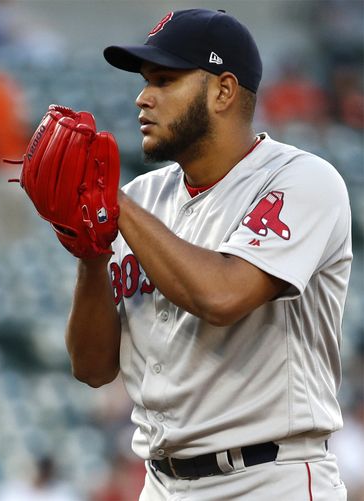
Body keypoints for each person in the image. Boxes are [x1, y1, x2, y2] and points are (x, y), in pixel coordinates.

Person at [66, 9, 351, 500]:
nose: (142, 97)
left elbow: (222, 296)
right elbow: (93, 368)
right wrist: (91, 253)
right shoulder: (144, 196)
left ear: (222, 91)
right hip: (161, 482)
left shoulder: (302, 180)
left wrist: (111, 200)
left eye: (164, 79)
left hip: (270, 476)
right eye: (144, 81)